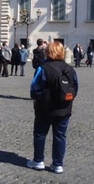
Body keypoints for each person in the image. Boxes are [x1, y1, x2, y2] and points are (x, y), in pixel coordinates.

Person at [27, 41, 79, 174]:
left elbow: (35, 88)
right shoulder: (70, 69)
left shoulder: (42, 68)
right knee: (60, 136)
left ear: (48, 52)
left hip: (44, 108)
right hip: (64, 108)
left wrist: (36, 99)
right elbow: (75, 88)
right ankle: (57, 164)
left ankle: (38, 161)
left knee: (40, 134)